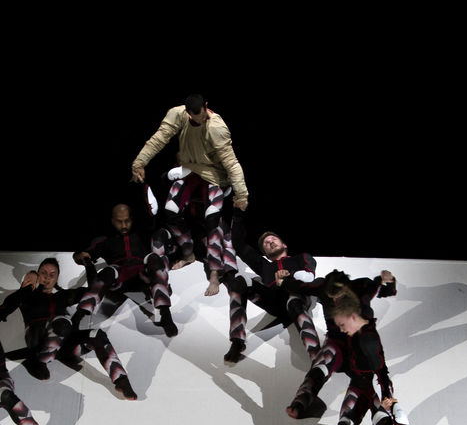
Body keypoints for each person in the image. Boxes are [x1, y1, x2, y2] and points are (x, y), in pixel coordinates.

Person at [131, 94, 247, 296]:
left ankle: (214, 272)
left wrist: (242, 194)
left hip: (213, 173)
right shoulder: (178, 115)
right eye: (194, 117)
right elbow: (159, 138)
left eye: (201, 115)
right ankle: (188, 254)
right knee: (170, 210)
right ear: (187, 113)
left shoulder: (216, 127)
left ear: (206, 106)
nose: (199, 120)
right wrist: (139, 162)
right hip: (189, 169)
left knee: (212, 218)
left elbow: (231, 162)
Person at [0, 259, 137, 398]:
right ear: (38, 275)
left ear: (56, 278)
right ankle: (40, 361)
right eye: (43, 273)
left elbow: (92, 290)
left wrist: (89, 265)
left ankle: (121, 380)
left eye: (52, 274)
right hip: (38, 341)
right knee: (63, 322)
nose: (47, 277)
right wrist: (27, 281)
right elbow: (11, 302)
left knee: (97, 335)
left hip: (63, 347)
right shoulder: (28, 297)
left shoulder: (63, 296)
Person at [324, 290, 404, 425]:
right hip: (359, 384)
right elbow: (365, 298)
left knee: (383, 424)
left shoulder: (368, 340)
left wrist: (387, 399)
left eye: (343, 325)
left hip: (370, 387)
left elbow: (382, 372)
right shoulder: (358, 322)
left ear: (352, 317)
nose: (342, 329)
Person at [287, 269, 396, 418]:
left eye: (339, 297)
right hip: (336, 343)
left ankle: (387, 415)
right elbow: (298, 287)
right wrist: (284, 280)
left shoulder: (361, 287)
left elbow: (384, 290)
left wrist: (389, 281)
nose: (336, 302)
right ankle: (301, 400)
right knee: (321, 366)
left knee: (366, 382)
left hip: (360, 347)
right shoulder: (323, 287)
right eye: (331, 298)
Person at [222, 212, 321, 364]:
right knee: (239, 281)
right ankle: (237, 341)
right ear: (266, 255)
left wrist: (289, 274)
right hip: (275, 303)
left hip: (297, 299)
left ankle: (316, 355)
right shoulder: (265, 266)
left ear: (284, 245)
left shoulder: (301, 258)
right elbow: (238, 245)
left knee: (294, 300)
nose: (270, 242)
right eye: (266, 243)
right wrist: (238, 215)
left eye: (273, 239)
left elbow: (310, 278)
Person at [73, 203, 179, 337]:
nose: (123, 225)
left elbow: (164, 240)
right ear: (113, 221)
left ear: (131, 219)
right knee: (109, 271)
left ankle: (165, 313)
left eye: (127, 221)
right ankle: (80, 315)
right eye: (119, 222)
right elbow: (82, 254)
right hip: (119, 279)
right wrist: (81, 256)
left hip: (142, 275)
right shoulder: (106, 240)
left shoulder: (142, 234)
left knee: (153, 258)